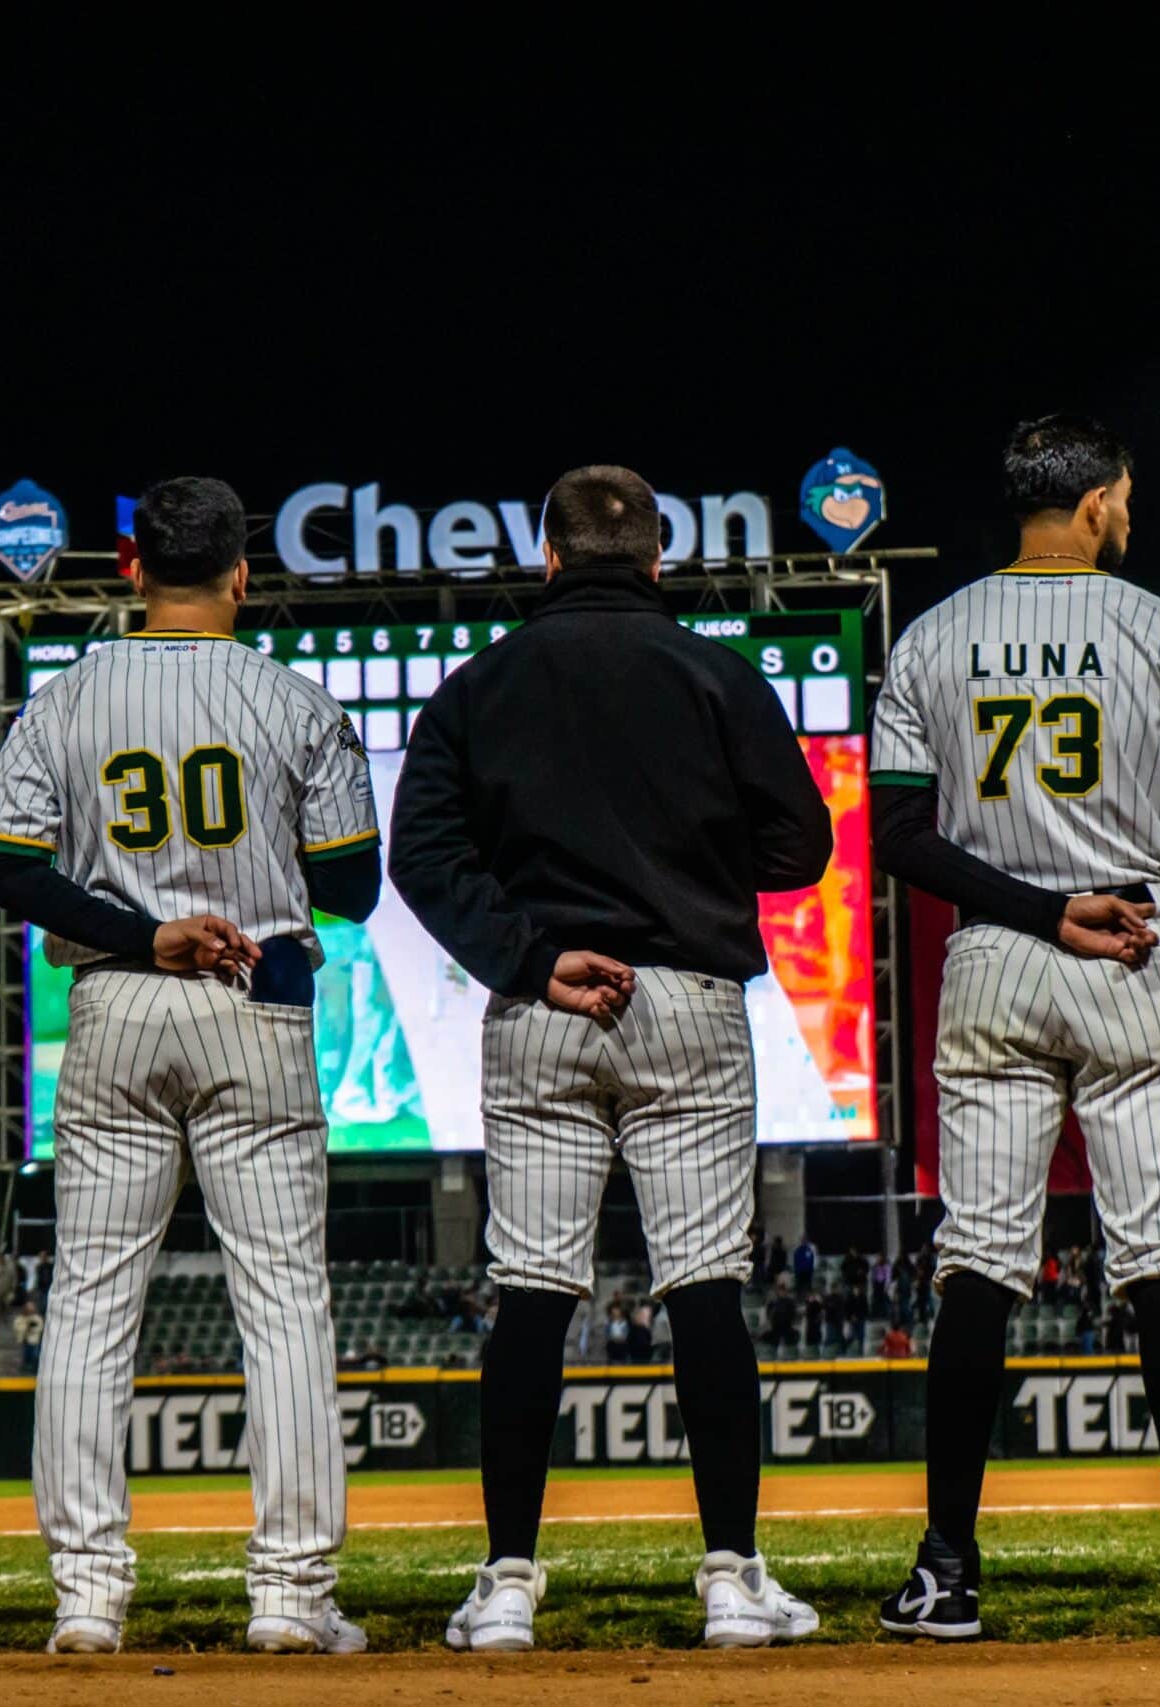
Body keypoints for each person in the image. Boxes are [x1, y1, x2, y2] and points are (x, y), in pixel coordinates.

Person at [390, 465, 832, 1652]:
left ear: (546, 558)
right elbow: (801, 845)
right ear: (655, 562)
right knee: (703, 1291)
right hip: (687, 996)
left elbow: (423, 859)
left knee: (532, 1292)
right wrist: (688, 868)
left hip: (543, 1007)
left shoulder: (478, 683)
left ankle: (507, 1585)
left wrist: (532, 958)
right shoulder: (716, 673)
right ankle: (732, 1579)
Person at [867, 418, 1160, 1641]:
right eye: (1129, 499)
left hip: (997, 949)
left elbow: (897, 838)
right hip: (1133, 943)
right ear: (1098, 502)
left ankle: (945, 1568)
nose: (1130, 516)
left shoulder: (931, 635)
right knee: (1158, 1259)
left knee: (978, 1266)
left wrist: (1040, 904)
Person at [0, 476, 381, 1657]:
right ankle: (292, 1598)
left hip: (119, 1001)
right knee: (285, 1303)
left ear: (130, 566)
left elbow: (2, 866)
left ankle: (89, 1596)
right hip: (255, 995)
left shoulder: (70, 693)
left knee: (93, 1299)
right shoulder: (294, 699)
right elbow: (351, 886)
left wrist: (139, 925)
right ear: (243, 572)